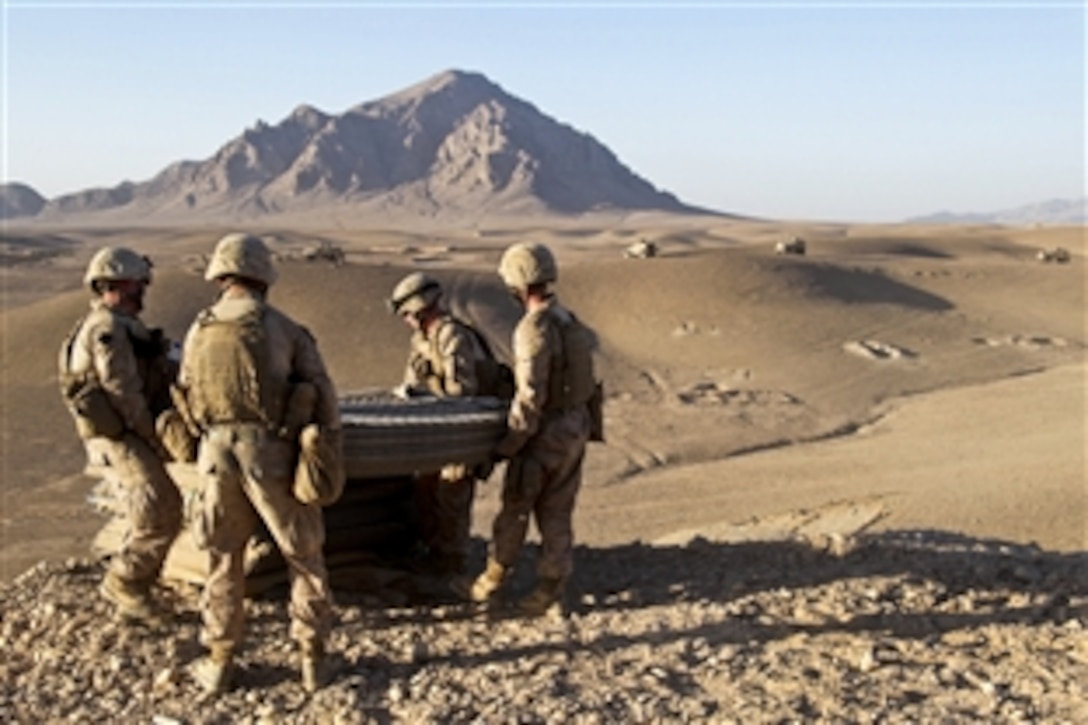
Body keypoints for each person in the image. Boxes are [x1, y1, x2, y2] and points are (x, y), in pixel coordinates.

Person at [177, 233, 340, 694]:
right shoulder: (283, 327)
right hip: (270, 453)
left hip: (214, 454)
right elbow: (322, 392)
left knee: (223, 557)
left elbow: (186, 387)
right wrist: (327, 451)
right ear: (264, 277)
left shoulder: (198, 328)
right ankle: (312, 657)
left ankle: (221, 658)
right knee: (303, 553)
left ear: (221, 276)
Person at [464, 242, 599, 616]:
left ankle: (492, 583)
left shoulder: (533, 328)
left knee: (516, 509)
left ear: (516, 284)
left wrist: (509, 443)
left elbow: (531, 395)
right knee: (557, 510)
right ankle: (553, 586)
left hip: (545, 434)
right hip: (575, 426)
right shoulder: (569, 320)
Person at [58, 246, 181, 626]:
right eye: (136, 284)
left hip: (123, 433)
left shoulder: (115, 325)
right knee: (160, 511)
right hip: (121, 436)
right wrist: (154, 435)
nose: (142, 290)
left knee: (152, 509)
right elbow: (123, 390)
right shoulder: (107, 330)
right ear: (114, 284)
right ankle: (126, 583)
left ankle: (136, 580)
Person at [388, 272, 505, 581]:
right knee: (423, 490)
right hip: (433, 431)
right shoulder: (422, 340)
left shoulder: (453, 336)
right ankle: (431, 552)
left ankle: (453, 563)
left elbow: (462, 392)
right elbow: (412, 381)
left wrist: (429, 385)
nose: (405, 320)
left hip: (461, 431)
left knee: (452, 495)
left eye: (407, 313)